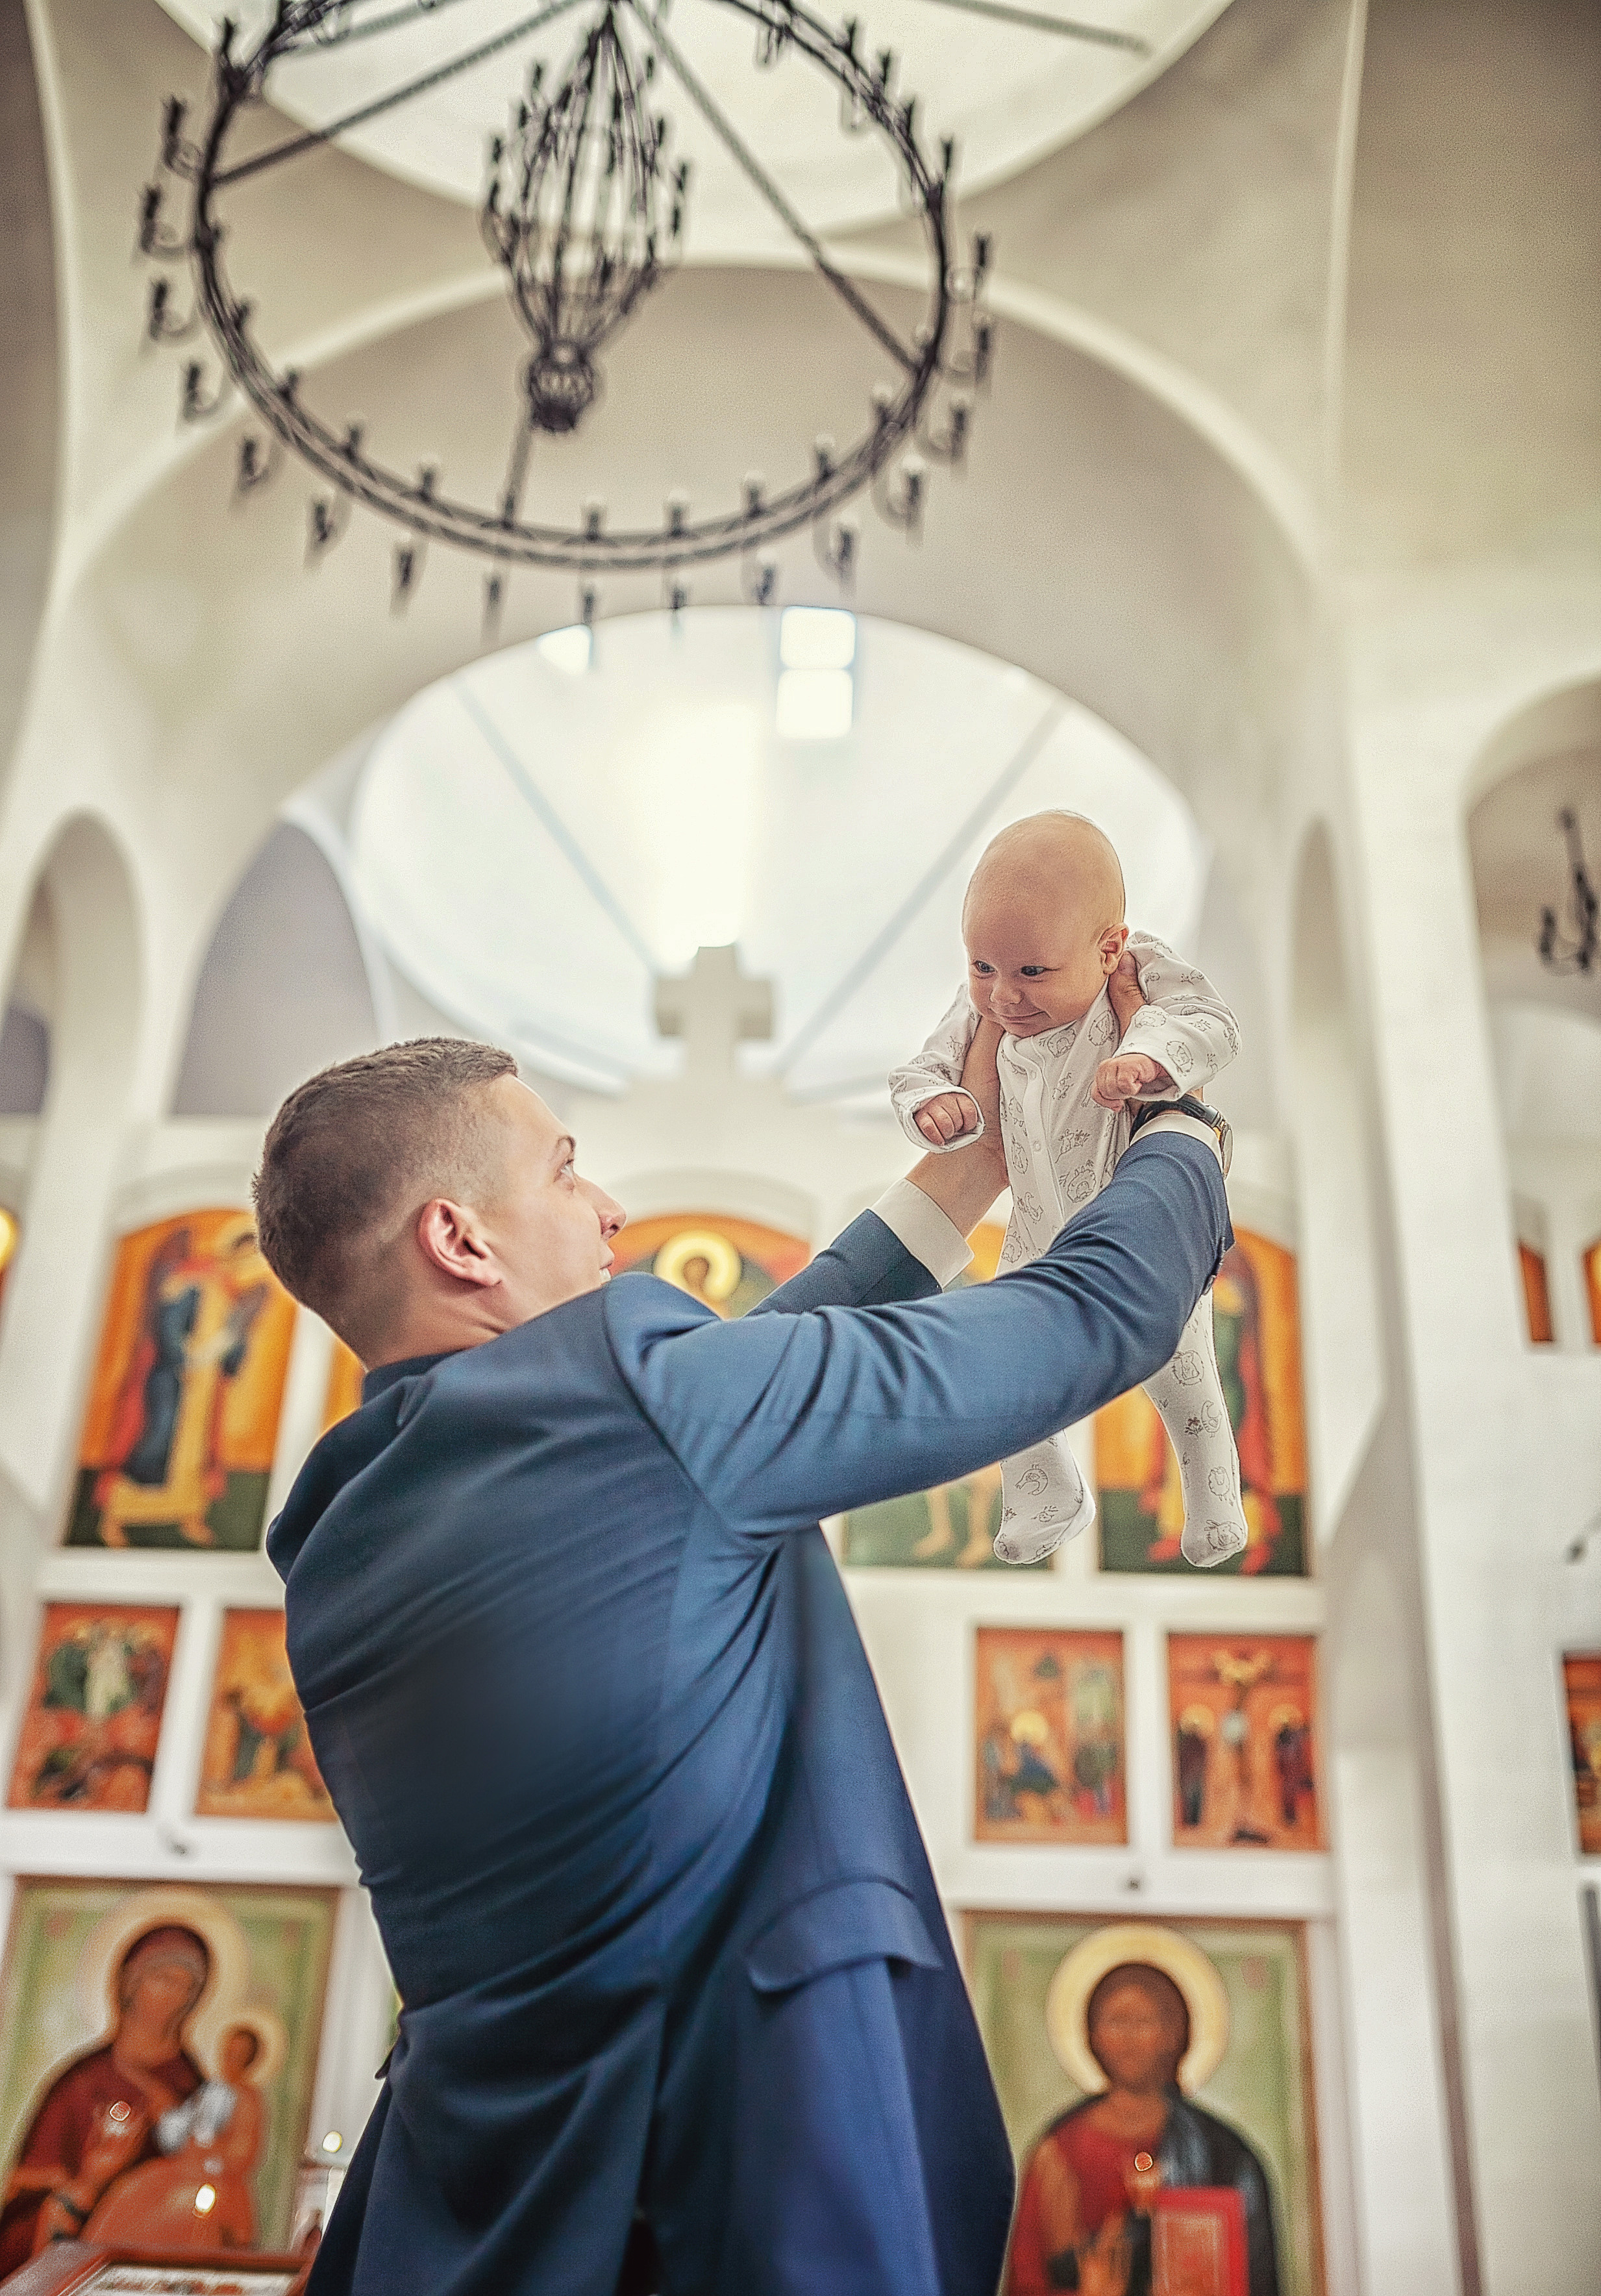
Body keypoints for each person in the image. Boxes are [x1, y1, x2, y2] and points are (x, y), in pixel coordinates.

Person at [251, 1022, 1232, 2296]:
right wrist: (1184, 1132)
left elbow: (729, 1399)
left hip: (478, 2207)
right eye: (561, 1170)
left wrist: (975, 1165)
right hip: (729, 2190)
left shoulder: (346, 1535)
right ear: (459, 1238)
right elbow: (1093, 1316)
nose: (606, 1210)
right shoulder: (631, 1412)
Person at [889, 812, 1245, 1569]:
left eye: (1031, 972)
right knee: (999, 1358)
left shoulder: (1141, 973)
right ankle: (1047, 1490)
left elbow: (1213, 1025)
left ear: (1108, 946)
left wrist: (1149, 1056)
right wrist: (934, 1105)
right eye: (983, 966)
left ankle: (1215, 1494)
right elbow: (927, 1065)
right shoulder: (980, 1006)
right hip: (1037, 1229)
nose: (1003, 996)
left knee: (1180, 1366)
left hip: (1138, 1220)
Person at [1006, 1964, 1280, 2296]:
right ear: (1091, 2034)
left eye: (1144, 2022)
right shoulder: (1060, 2150)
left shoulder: (1222, 2153)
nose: (1128, 2038)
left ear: (1174, 2033)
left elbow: (1255, 2278)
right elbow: (1026, 2282)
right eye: (1115, 2021)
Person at [0, 1925, 208, 2271]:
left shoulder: (190, 2085)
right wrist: (86, 2184)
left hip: (151, 2247)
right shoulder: (83, 2079)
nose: (175, 1996)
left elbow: (204, 2177)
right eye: (164, 1980)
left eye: (188, 1987)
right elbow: (25, 2190)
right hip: (75, 2246)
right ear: (132, 1982)